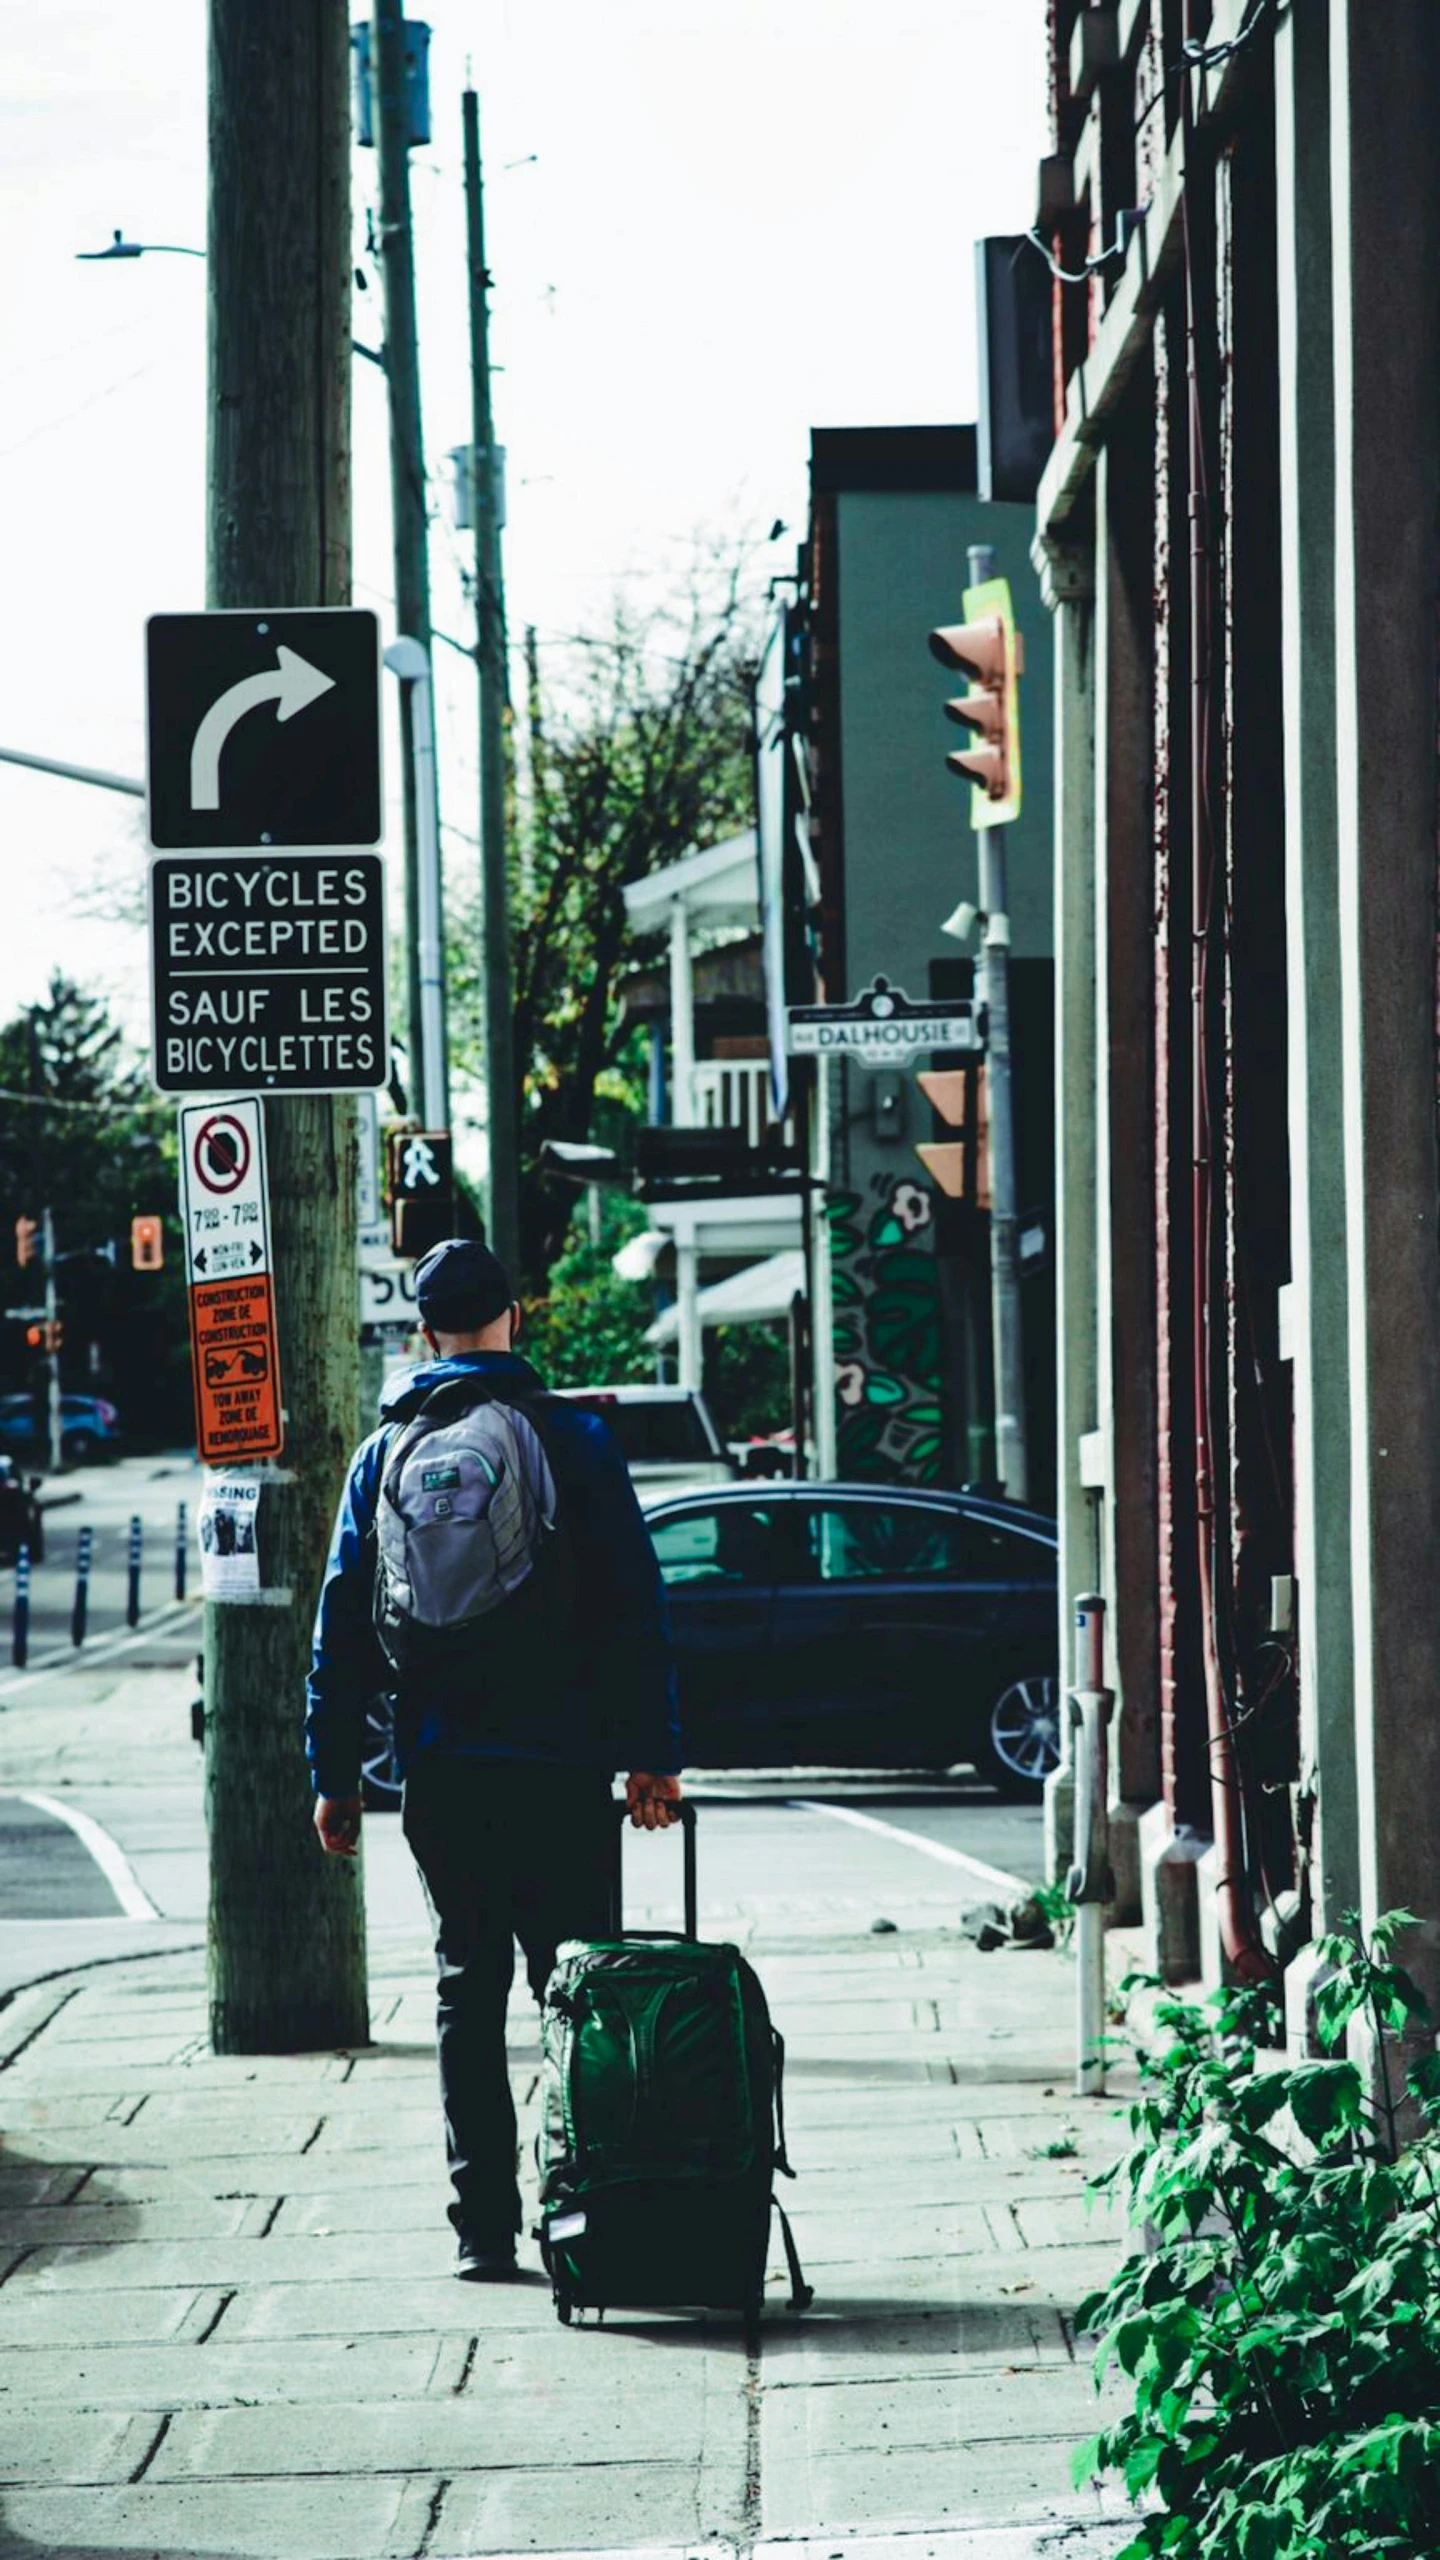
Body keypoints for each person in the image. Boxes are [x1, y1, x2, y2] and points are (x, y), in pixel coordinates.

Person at [306, 1236, 682, 2280]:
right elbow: (633, 1610)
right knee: (580, 1990)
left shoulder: (383, 1455)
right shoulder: (574, 1439)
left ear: (426, 1334)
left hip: (442, 1774)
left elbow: (341, 1624)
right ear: (514, 1319)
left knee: (464, 1993)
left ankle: (483, 2228)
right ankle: (591, 2214)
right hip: (562, 1768)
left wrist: (334, 1774)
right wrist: (652, 1755)